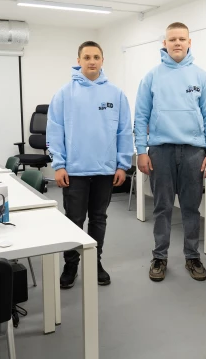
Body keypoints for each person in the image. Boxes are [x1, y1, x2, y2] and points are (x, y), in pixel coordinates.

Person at [134, 22, 206, 282]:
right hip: (160, 151)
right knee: (162, 207)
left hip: (194, 152)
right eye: (172, 39)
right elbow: (140, 116)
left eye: (182, 39)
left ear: (190, 42)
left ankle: (192, 257)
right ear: (165, 43)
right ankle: (159, 257)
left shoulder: (201, 77)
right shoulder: (152, 77)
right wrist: (141, 150)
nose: (177, 43)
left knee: (192, 208)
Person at [47, 41, 134, 288]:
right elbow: (54, 131)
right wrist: (59, 164)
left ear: (102, 61)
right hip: (74, 170)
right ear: (79, 60)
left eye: (96, 56)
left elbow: (124, 132)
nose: (92, 61)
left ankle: (95, 262)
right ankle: (71, 265)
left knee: (99, 218)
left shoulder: (116, 94)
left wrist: (122, 165)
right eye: (87, 57)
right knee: (74, 219)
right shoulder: (64, 93)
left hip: (106, 171)